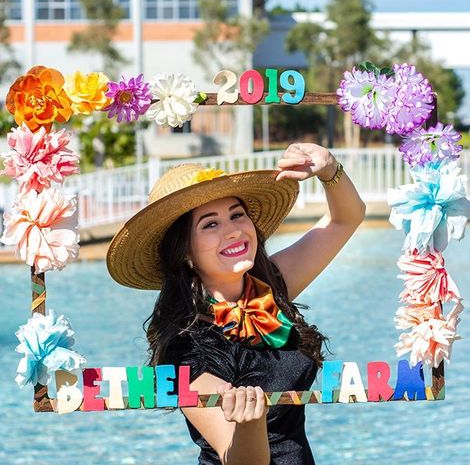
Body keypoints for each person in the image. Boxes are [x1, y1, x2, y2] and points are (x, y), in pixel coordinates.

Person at [106, 142, 366, 465]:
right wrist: (250, 423)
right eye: (210, 224)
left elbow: (345, 219)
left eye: (237, 215)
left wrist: (329, 169)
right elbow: (242, 460)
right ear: (184, 252)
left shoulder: (271, 286)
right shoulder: (183, 345)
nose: (232, 231)